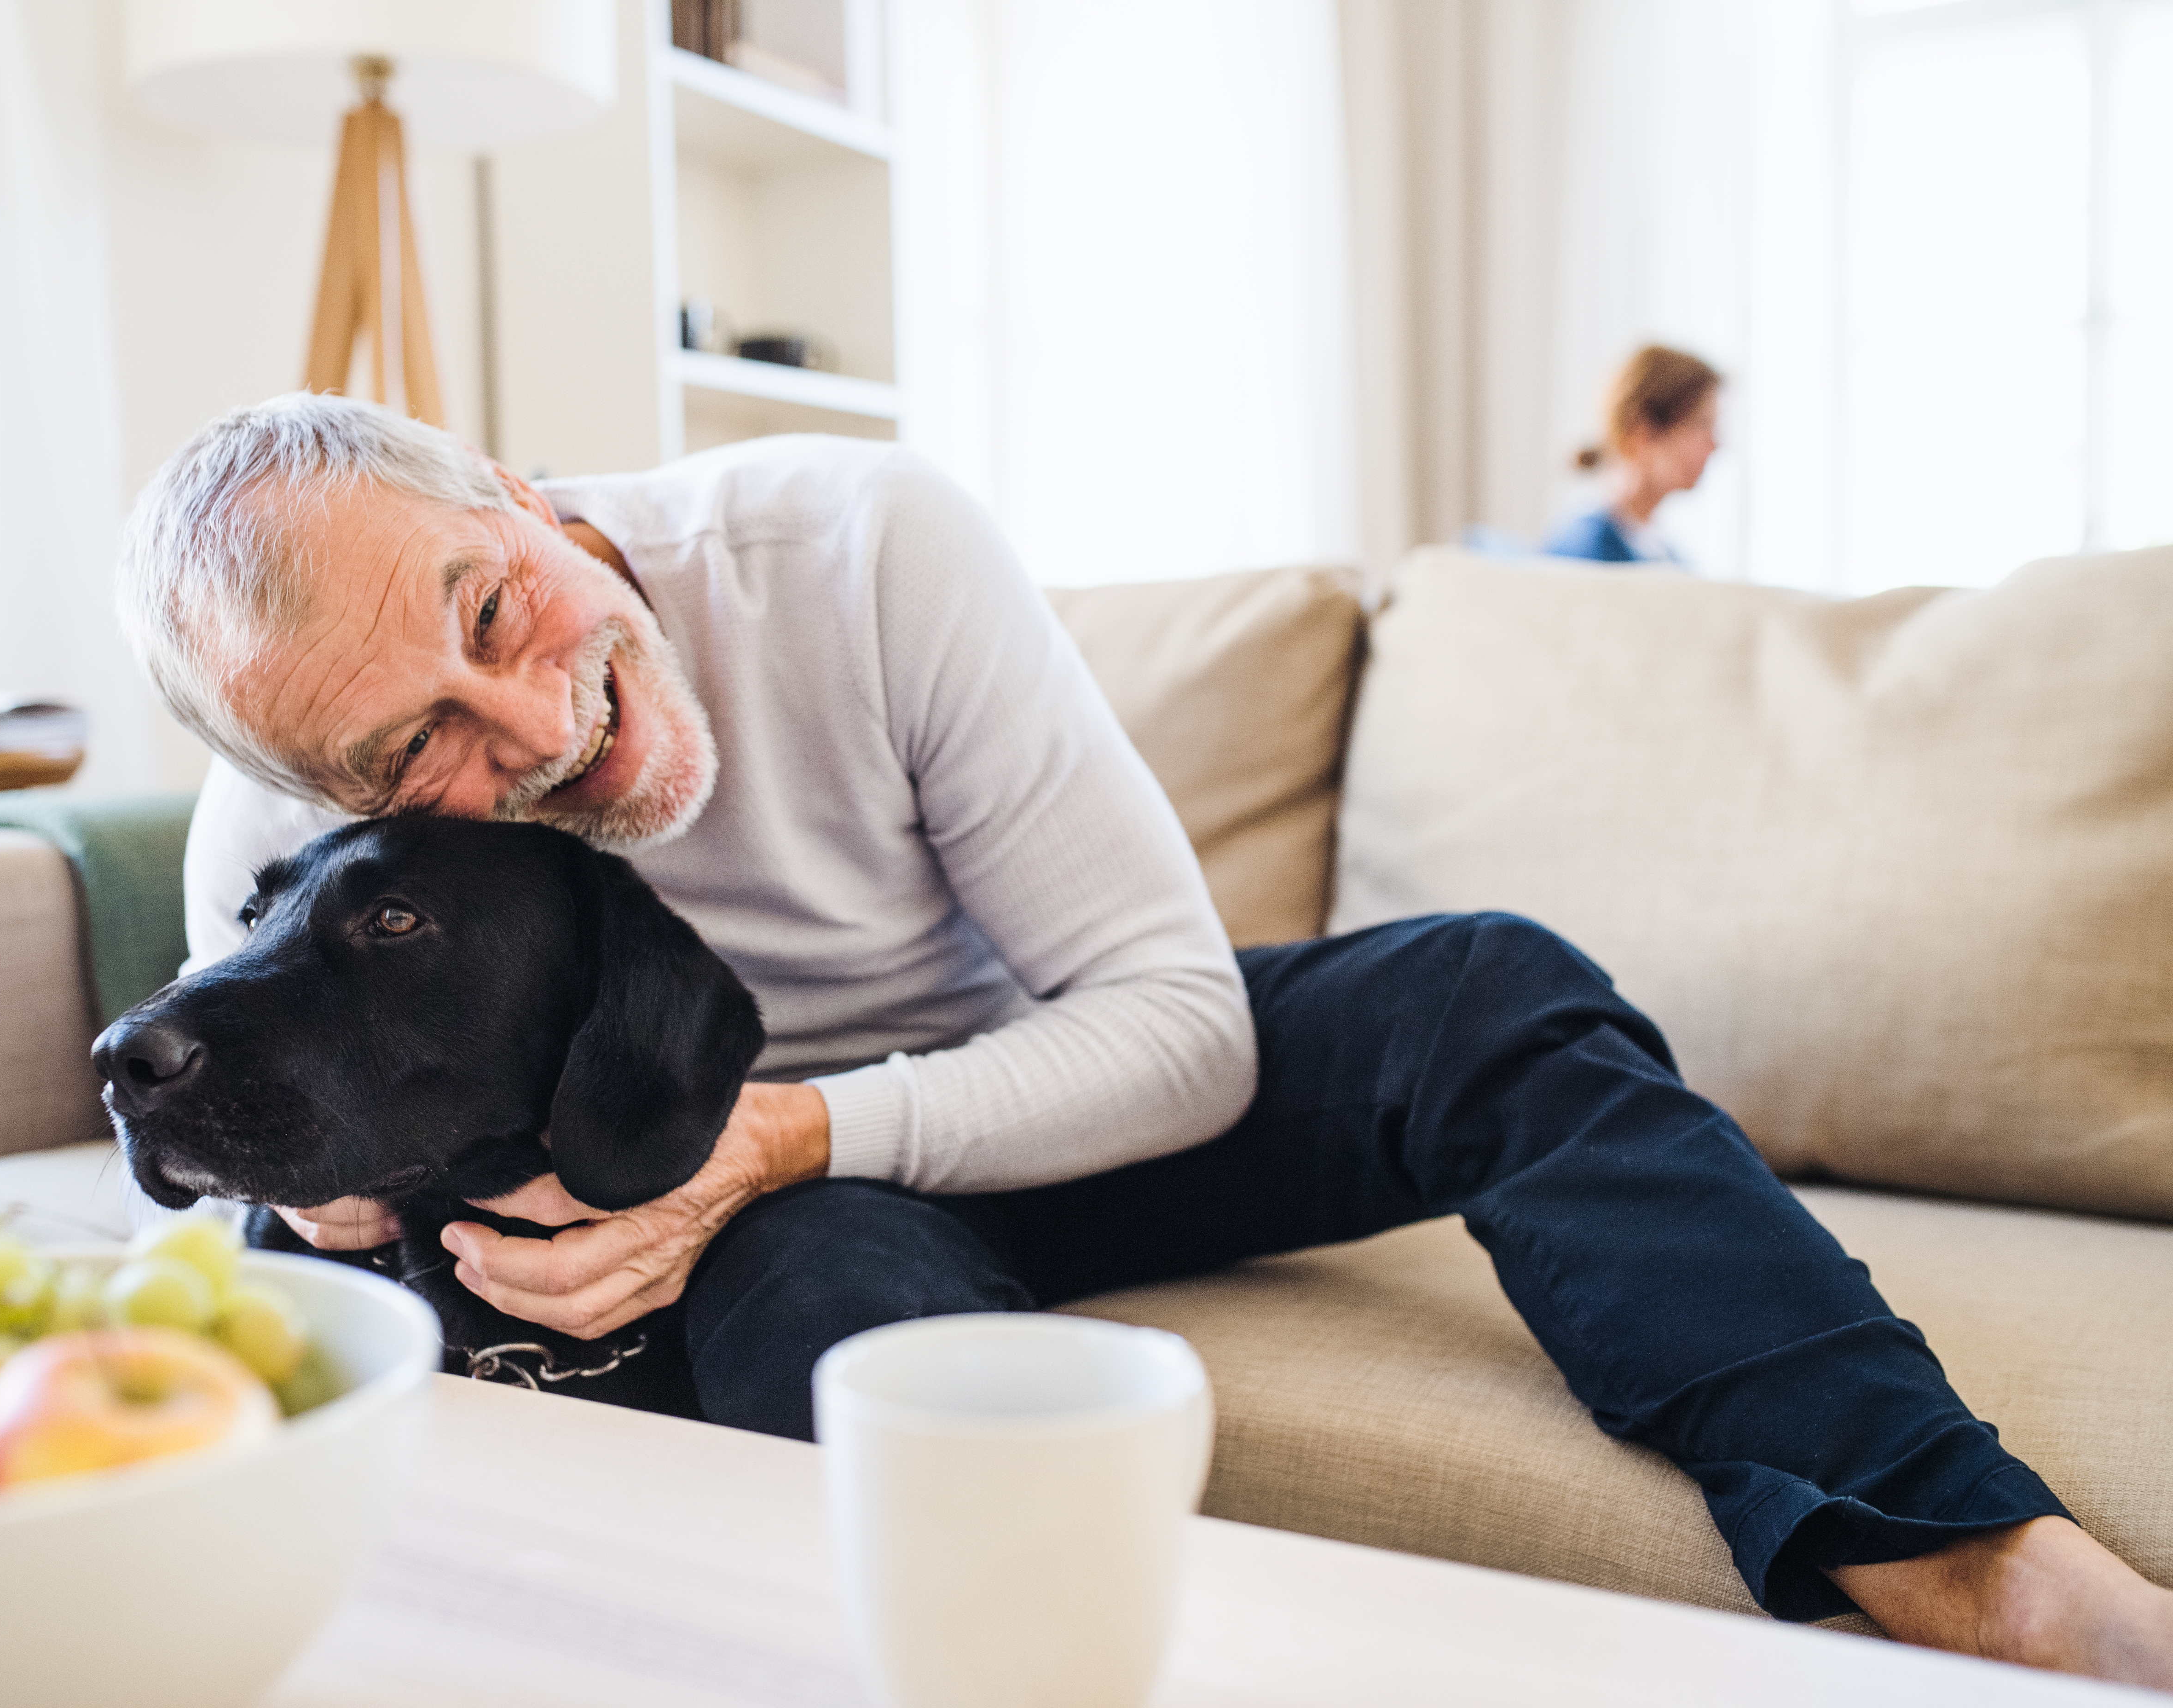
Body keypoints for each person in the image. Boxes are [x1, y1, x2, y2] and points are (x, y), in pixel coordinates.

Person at [117, 393, 2173, 1688]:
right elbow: (302, 1182)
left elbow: (1180, 1034)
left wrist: (789, 1132)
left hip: (1051, 1091)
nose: (538, 726)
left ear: (512, 488)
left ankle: (1959, 1555)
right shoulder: (274, 831)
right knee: (860, 1343)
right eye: (410, 755)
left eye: (497, 613)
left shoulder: (854, 546)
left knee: (1478, 985)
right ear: (315, 781)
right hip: (770, 1229)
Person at [1543, 344, 1721, 565]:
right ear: (1642, 433)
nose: (1716, 445)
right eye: (1701, 425)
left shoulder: (1667, 556)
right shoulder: (1582, 553)